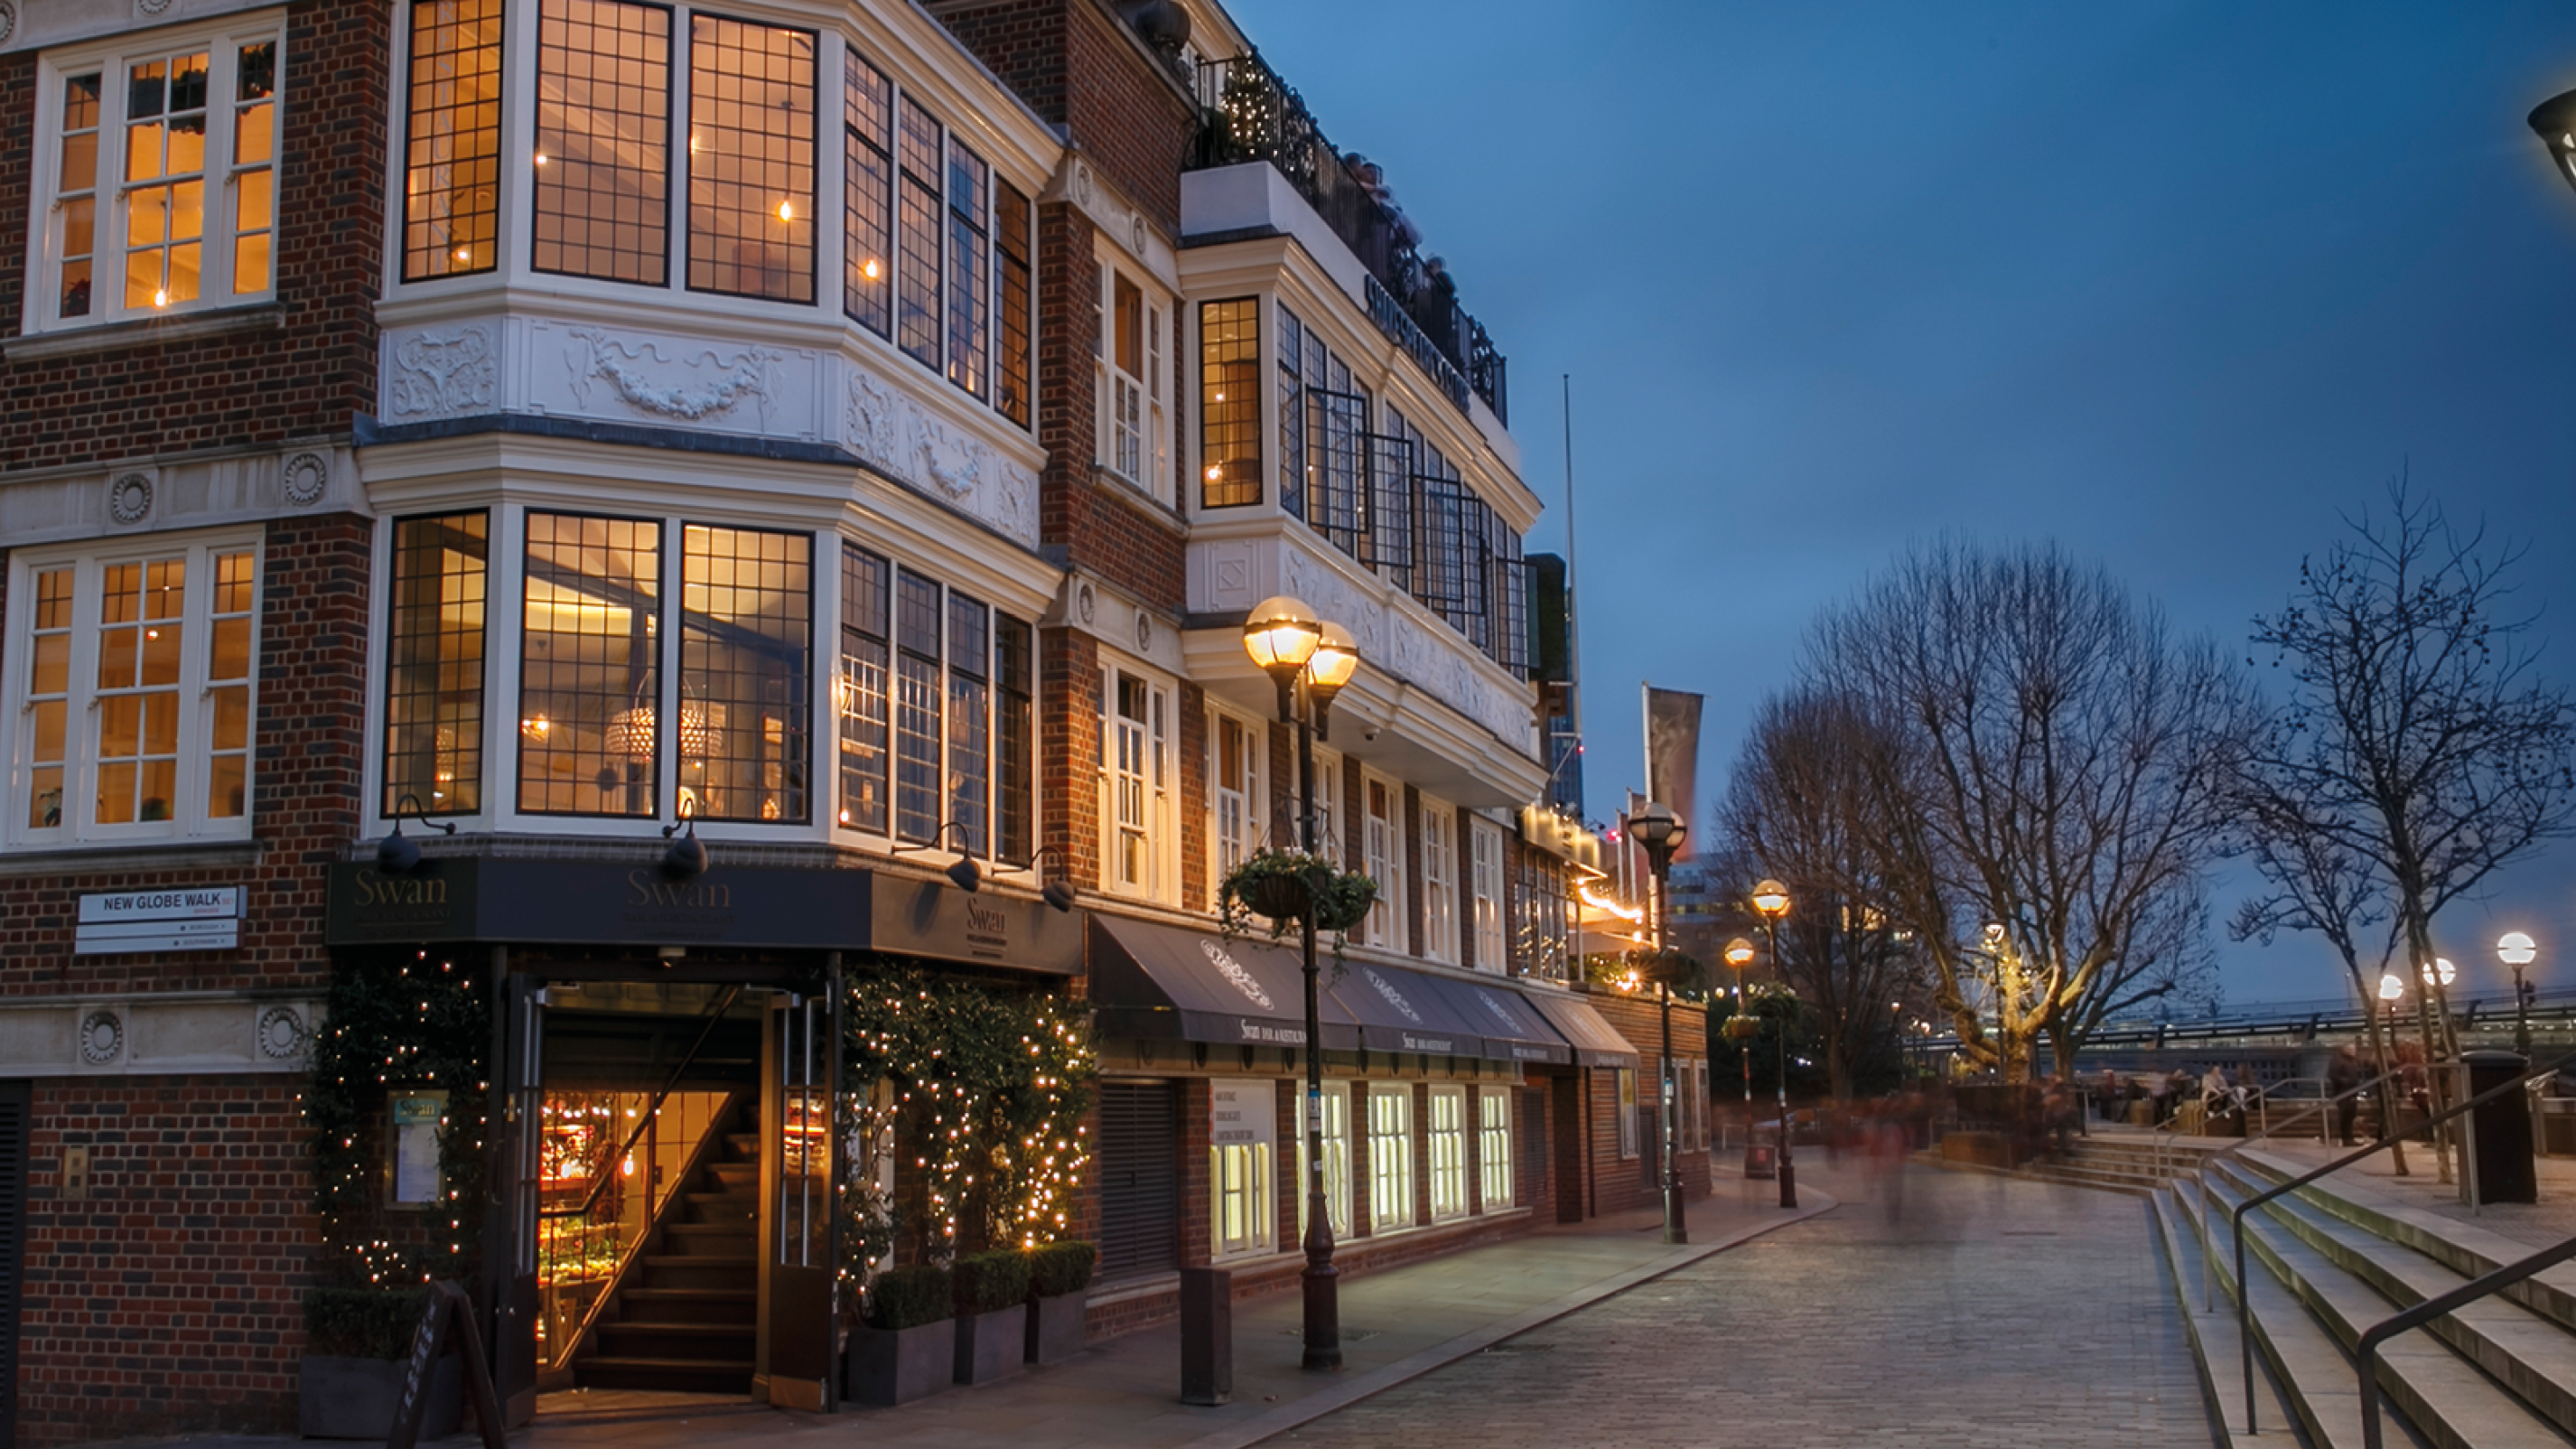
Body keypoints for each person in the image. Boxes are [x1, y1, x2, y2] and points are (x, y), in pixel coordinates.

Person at [2326, 1042, 2365, 1145]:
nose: (2354, 1052)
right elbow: (2332, 1074)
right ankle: (2343, 1138)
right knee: (2344, 1116)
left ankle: (2348, 1138)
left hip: (2353, 1091)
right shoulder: (2337, 1060)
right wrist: (2344, 1081)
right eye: (2352, 1050)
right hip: (2342, 1091)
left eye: (2355, 1050)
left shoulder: (2354, 1060)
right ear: (2346, 1050)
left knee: (2350, 1115)